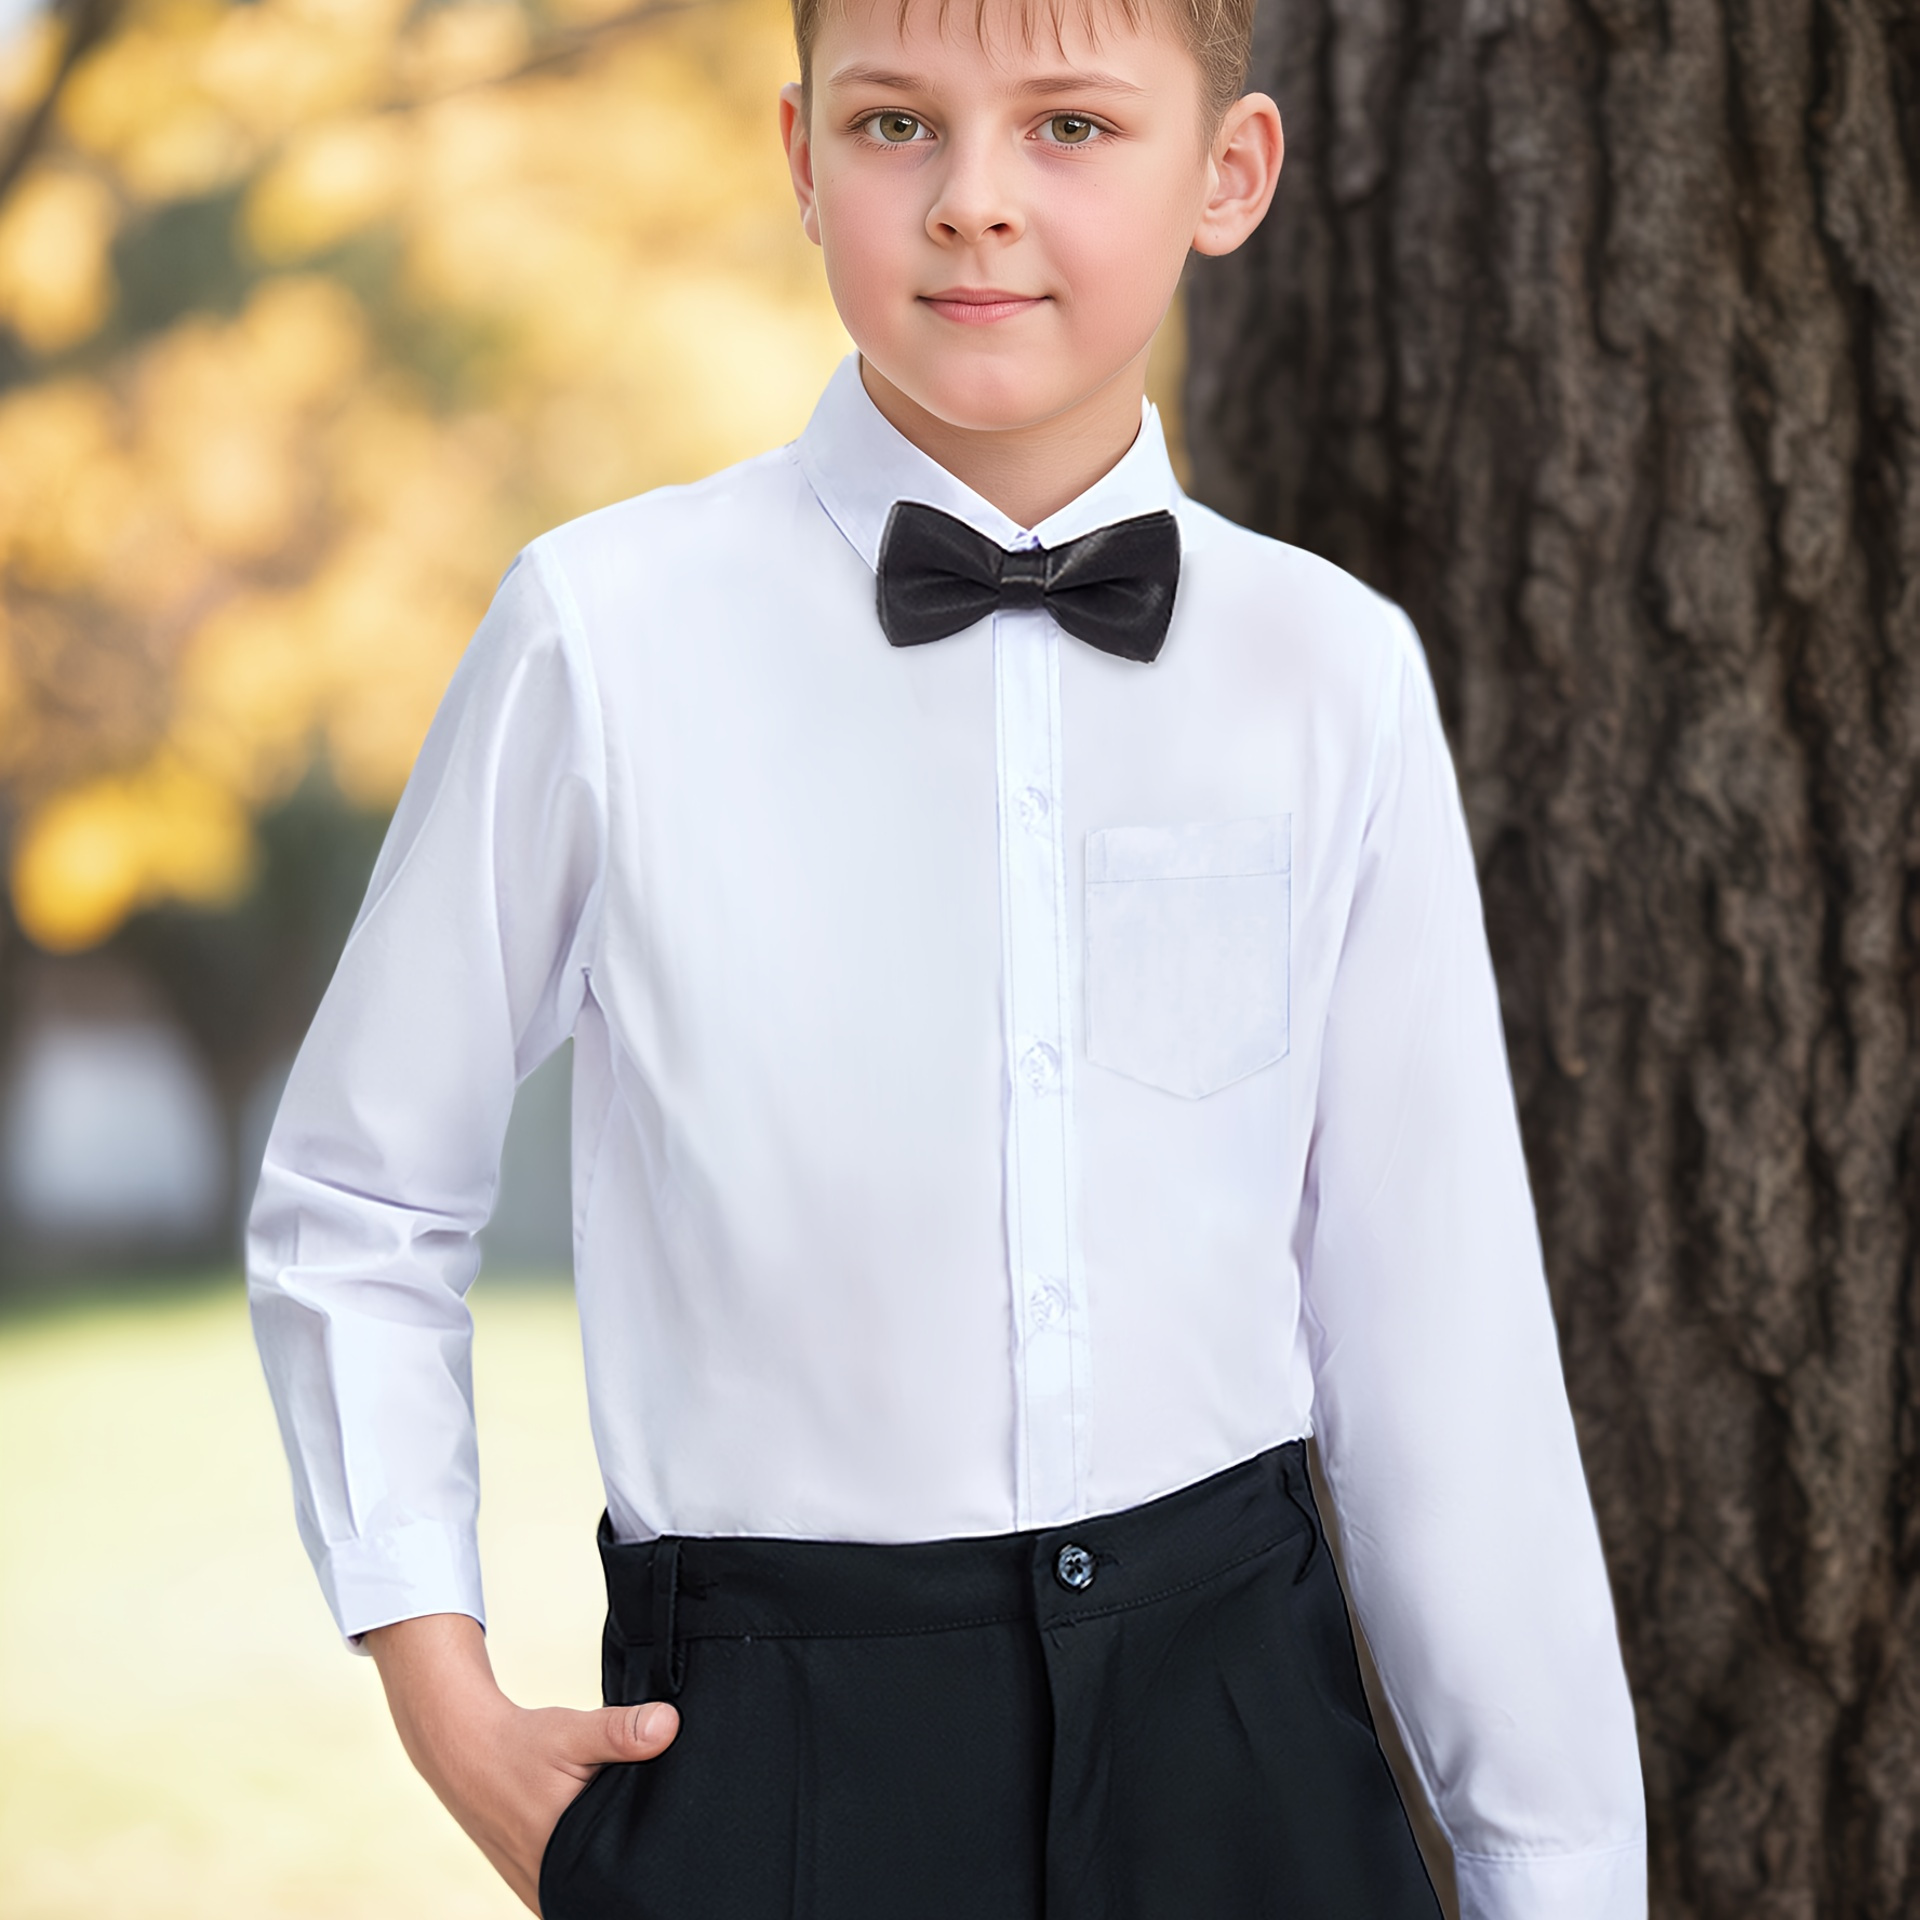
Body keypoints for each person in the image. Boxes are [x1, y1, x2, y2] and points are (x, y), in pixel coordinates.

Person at [249, 0, 1649, 1911]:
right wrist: (445, 1696)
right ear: (801, 155)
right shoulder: (605, 636)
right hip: (776, 1761)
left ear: (1228, 172)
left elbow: (1434, 1322)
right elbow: (358, 1195)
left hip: (1243, 1740)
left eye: (1070, 126)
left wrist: (1550, 1869)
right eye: (899, 124)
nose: (974, 201)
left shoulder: (1330, 671)